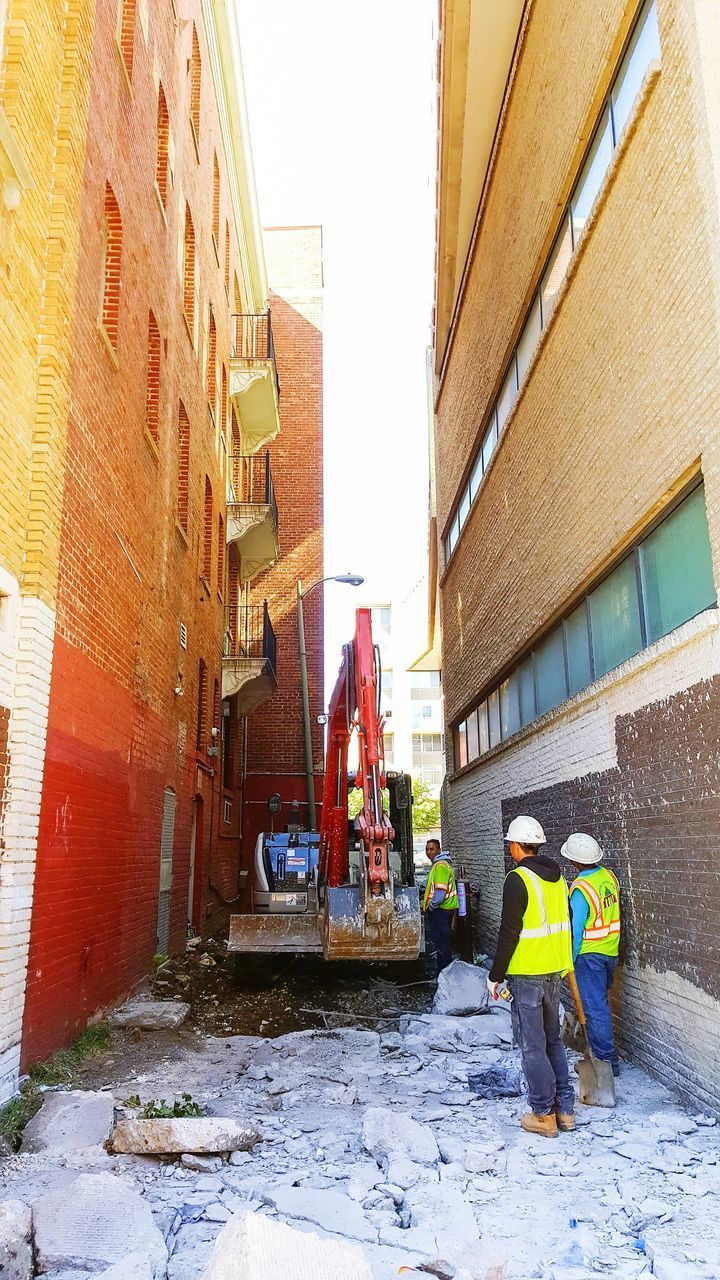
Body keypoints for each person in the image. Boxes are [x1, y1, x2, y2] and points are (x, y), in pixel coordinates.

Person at [487, 815, 575, 1138]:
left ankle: (543, 1113)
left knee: (532, 1045)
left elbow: (509, 931)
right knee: (553, 1040)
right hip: (554, 972)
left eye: (509, 842)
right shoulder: (558, 878)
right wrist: (565, 964)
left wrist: (495, 975)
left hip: (527, 976)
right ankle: (565, 1110)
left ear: (515, 846)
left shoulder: (518, 879)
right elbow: (563, 924)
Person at [561, 831, 621, 1078]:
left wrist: (568, 960)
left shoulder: (580, 889)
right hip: (610, 951)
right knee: (599, 1005)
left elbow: (575, 932)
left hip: (589, 955)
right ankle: (599, 1052)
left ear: (574, 861)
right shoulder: (609, 877)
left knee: (595, 1009)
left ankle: (606, 1063)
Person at [422, 838, 458, 974]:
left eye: (431, 849)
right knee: (442, 943)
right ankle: (444, 972)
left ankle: (443, 975)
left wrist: (431, 907)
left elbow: (440, 892)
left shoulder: (440, 866)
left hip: (441, 911)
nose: (428, 852)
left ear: (439, 850)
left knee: (442, 945)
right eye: (427, 849)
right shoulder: (439, 865)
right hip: (444, 910)